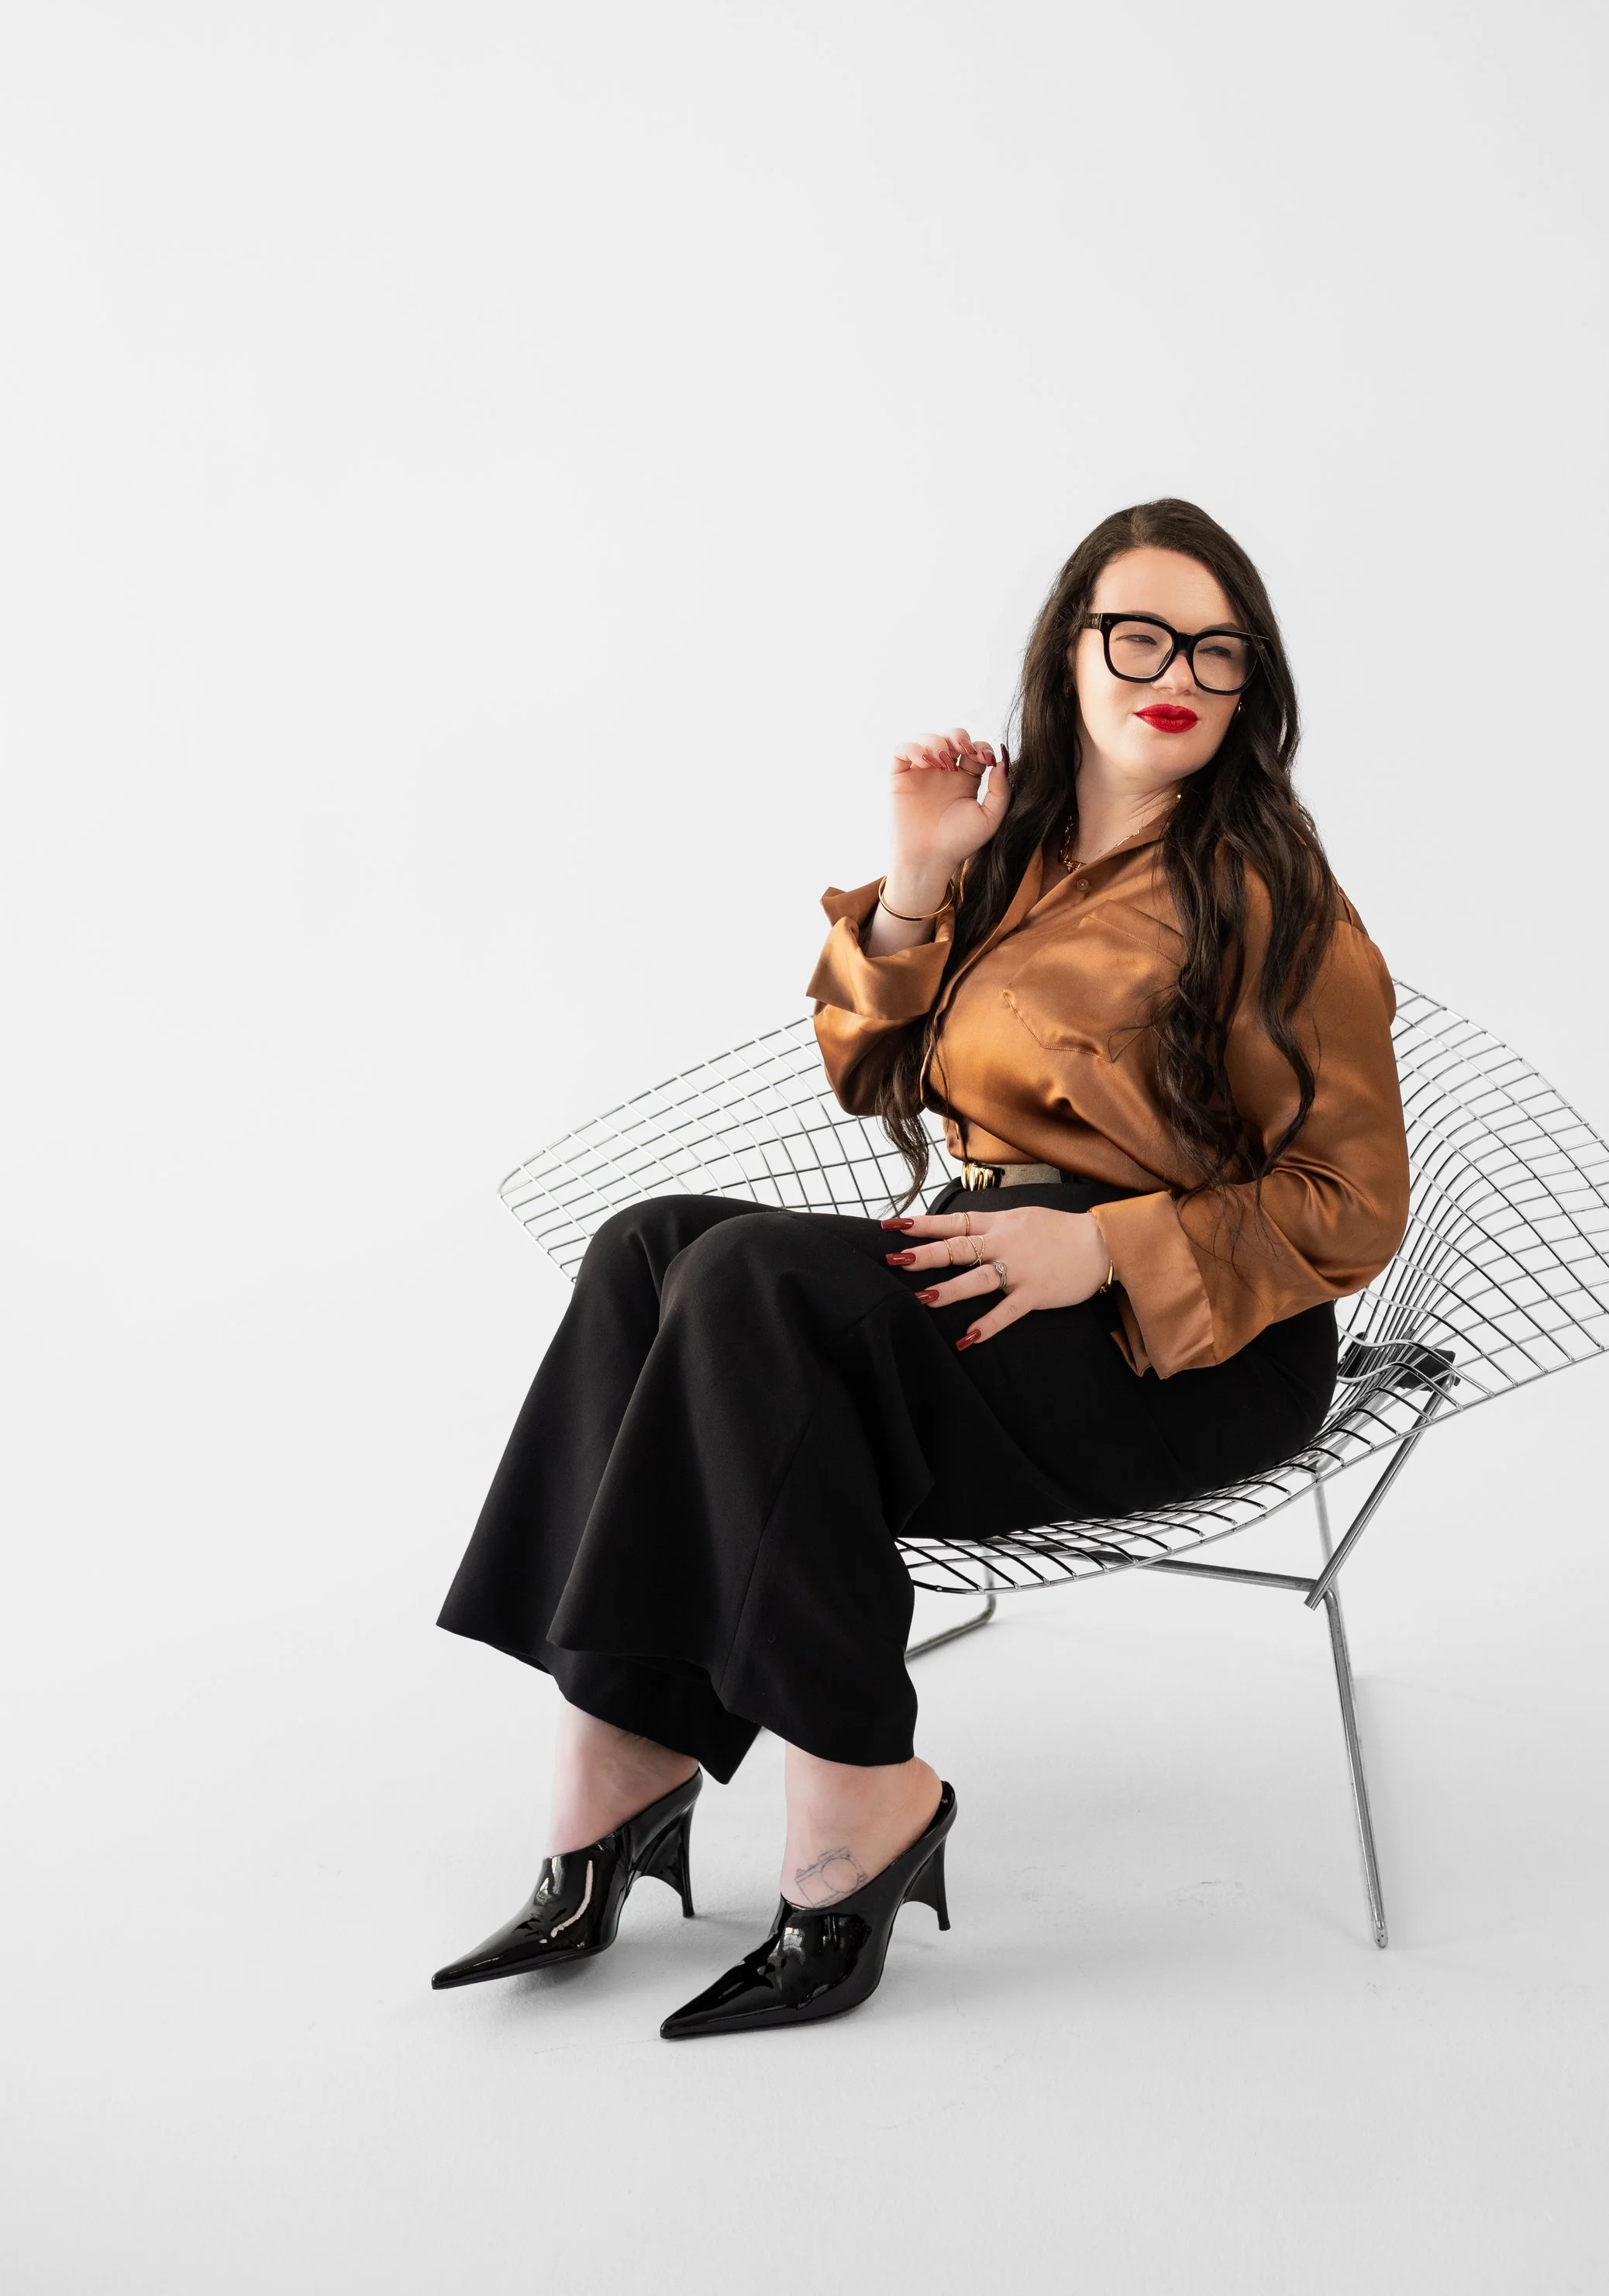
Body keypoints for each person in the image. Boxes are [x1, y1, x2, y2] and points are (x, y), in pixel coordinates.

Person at [433, 496, 1410, 2038]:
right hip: (990, 1278)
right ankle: (622, 1752)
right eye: (1139, 636)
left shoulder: (1271, 896)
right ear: (1070, 652)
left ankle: (861, 1793)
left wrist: (1102, 1245)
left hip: (1182, 1342)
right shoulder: (1014, 851)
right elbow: (871, 1071)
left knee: (752, 1282)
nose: (1177, 673)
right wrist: (914, 878)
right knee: (650, 1252)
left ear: (1250, 684)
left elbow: (1353, 1203)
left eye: (1216, 651)